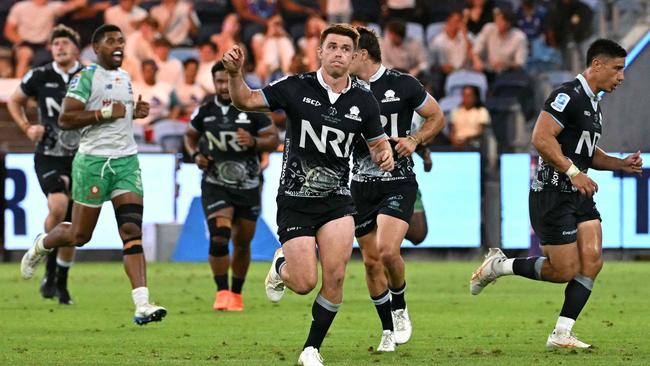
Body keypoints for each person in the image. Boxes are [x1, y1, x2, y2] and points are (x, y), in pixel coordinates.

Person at [222, 24, 395, 365]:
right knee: (304, 282)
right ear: (320, 51)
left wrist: (384, 154)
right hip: (295, 200)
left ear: (354, 56)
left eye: (346, 49)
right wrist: (234, 74)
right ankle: (283, 265)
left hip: (337, 201)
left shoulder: (364, 100)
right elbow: (246, 99)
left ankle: (310, 349)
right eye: (332, 46)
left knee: (336, 276)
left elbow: (377, 145)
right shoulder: (295, 88)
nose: (338, 53)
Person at [470, 39, 642, 348]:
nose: (622, 77)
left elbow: (587, 153)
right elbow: (540, 137)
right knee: (563, 270)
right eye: (617, 69)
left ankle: (562, 334)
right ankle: (500, 266)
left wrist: (620, 163)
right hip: (551, 193)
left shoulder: (593, 103)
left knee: (592, 260)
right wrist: (574, 173)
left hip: (577, 193)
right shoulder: (568, 95)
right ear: (597, 65)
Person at [20, 24, 167, 326]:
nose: (118, 46)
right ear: (96, 48)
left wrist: (133, 113)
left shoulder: (125, 78)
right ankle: (43, 243)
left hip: (126, 162)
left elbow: (118, 115)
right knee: (79, 235)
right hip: (92, 165)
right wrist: (103, 113)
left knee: (130, 232)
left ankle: (142, 304)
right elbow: (66, 118)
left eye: (121, 41)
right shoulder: (85, 78)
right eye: (111, 41)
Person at [348, 26, 445, 352]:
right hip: (360, 185)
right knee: (371, 262)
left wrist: (415, 140)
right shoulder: (342, 91)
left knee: (389, 251)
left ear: (362, 54)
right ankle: (387, 329)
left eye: (348, 51)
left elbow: (436, 117)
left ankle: (400, 306)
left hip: (398, 182)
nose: (342, 58)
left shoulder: (402, 84)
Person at [184, 61, 279, 312]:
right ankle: (221, 291)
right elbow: (189, 136)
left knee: (242, 241)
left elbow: (274, 138)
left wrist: (254, 141)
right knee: (219, 236)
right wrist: (196, 156)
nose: (223, 86)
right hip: (215, 182)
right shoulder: (205, 110)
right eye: (218, 81)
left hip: (248, 184)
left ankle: (236, 293)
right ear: (213, 82)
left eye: (227, 80)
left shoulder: (253, 107)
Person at [7, 24, 84, 305]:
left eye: (65, 43)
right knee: (58, 206)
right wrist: (27, 127)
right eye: (56, 44)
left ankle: (57, 281)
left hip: (82, 157)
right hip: (49, 154)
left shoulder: (88, 76)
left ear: (76, 48)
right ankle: (45, 251)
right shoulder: (40, 75)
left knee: (74, 227)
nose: (60, 47)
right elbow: (15, 102)